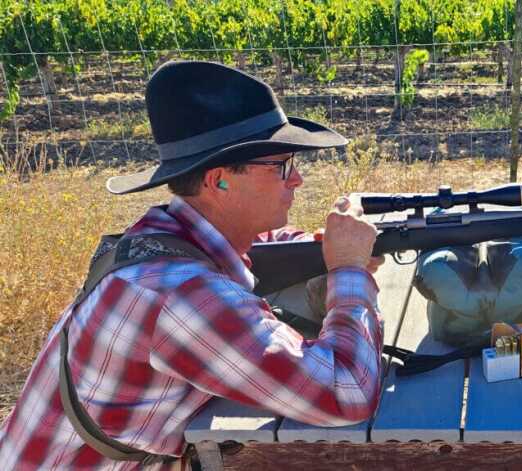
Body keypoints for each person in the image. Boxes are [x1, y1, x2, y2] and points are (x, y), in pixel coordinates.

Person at [0, 61, 385, 469]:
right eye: (283, 165)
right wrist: (348, 272)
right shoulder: (179, 294)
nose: (298, 179)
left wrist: (327, 250)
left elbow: (262, 245)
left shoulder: (171, 234)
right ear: (219, 180)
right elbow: (348, 392)